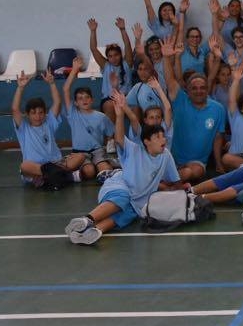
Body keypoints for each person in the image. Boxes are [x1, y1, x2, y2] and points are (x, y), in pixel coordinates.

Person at [64, 91, 186, 245]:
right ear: (147, 142)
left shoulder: (166, 155)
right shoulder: (134, 149)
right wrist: (120, 114)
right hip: (119, 187)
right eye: (158, 137)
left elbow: (176, 181)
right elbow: (119, 137)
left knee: (128, 214)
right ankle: (87, 219)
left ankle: (94, 231)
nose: (163, 140)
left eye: (163, 136)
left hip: (139, 200)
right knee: (123, 199)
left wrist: (183, 193)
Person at [162, 41, 227, 181]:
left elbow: (218, 138)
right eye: (194, 88)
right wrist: (166, 58)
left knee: (191, 172)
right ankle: (172, 183)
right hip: (171, 159)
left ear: (207, 89)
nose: (199, 91)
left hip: (196, 163)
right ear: (187, 90)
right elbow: (170, 80)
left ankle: (168, 183)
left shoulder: (218, 109)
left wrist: (219, 163)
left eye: (202, 88)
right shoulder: (180, 99)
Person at [12, 69, 81, 186]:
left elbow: (57, 103)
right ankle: (65, 176)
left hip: (55, 163)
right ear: (27, 115)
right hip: (37, 167)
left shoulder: (49, 123)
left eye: (40, 113)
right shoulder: (24, 128)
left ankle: (48, 178)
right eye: (33, 113)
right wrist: (20, 87)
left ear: (45, 114)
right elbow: (15, 109)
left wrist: (52, 83)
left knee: (80, 156)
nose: (37, 116)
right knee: (25, 166)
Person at [63, 56, 116, 182]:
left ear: (92, 100)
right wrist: (74, 70)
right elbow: (65, 90)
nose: (84, 100)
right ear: (75, 103)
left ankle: (110, 165)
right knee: (89, 172)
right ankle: (78, 171)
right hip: (79, 153)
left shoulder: (101, 117)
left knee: (104, 169)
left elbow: (110, 134)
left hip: (97, 151)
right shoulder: (73, 114)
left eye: (87, 97)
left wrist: (109, 143)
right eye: (80, 98)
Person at [87, 17, 134, 121]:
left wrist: (122, 29)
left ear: (120, 55)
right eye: (110, 56)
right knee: (109, 105)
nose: (114, 58)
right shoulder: (106, 66)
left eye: (116, 55)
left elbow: (127, 45)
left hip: (127, 98)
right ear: (107, 58)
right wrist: (93, 31)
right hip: (109, 99)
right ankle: (111, 132)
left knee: (136, 108)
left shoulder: (127, 63)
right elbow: (93, 49)